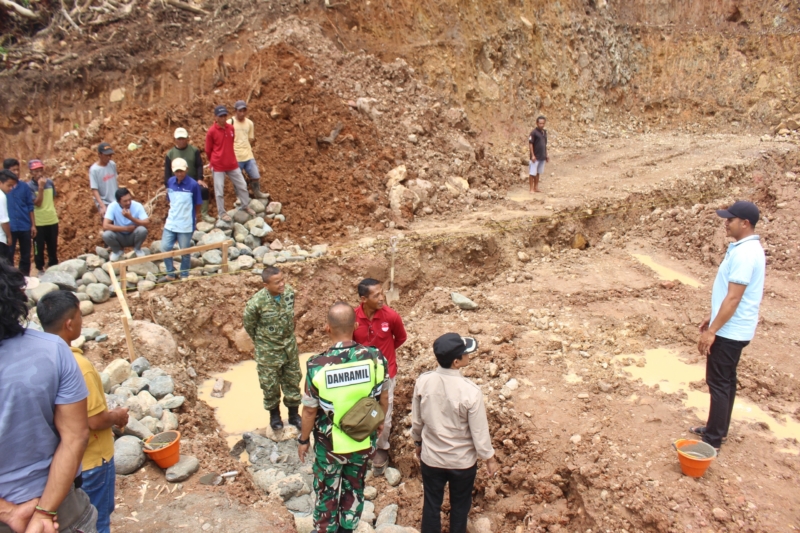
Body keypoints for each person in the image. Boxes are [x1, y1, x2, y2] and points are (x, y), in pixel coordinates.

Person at [0, 261, 97, 533]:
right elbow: (76, 436)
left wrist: (8, 512)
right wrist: (43, 512)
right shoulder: (54, 351)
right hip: (59, 512)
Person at [37, 290, 128, 533]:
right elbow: (94, 420)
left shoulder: (40, 359)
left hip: (60, 464)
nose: (81, 321)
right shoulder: (79, 366)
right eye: (79, 316)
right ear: (69, 324)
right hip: (92, 461)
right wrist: (118, 416)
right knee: (96, 519)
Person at [298, 302, 389, 533]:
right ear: (356, 325)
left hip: (329, 445)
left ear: (327, 328)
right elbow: (383, 397)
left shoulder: (316, 365)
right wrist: (378, 422)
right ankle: (348, 528)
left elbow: (309, 410)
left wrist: (303, 440)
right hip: (361, 439)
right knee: (355, 486)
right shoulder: (375, 358)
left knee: (327, 490)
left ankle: (326, 529)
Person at [692, 201, 766, 451]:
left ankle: (713, 439)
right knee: (727, 381)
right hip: (733, 327)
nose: (726, 222)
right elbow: (728, 293)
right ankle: (717, 429)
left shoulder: (745, 254)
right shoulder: (744, 248)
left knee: (719, 382)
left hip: (730, 331)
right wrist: (712, 316)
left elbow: (734, 298)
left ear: (744, 223)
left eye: (730, 219)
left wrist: (713, 331)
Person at [411, 333, 498, 533]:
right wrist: (489, 459)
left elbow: (417, 422)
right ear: (456, 362)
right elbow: (479, 433)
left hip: (432, 459)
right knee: (460, 507)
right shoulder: (470, 391)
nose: (469, 355)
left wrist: (417, 443)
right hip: (462, 463)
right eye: (465, 353)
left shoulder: (423, 382)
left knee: (431, 505)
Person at [353, 278, 407, 475]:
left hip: (385, 374)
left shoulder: (391, 317)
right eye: (376, 295)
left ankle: (381, 448)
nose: (381, 297)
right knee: (364, 410)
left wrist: (387, 357)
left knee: (385, 411)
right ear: (363, 299)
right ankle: (363, 443)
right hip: (361, 376)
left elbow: (400, 338)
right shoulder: (353, 318)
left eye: (382, 293)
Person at [243, 266, 302, 431]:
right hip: (268, 351)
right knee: (270, 386)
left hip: (289, 348)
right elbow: (249, 325)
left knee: (292, 380)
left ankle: (293, 415)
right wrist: (264, 342)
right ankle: (274, 416)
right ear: (265, 285)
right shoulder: (256, 303)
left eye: (283, 280)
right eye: (277, 283)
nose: (282, 284)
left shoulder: (289, 293)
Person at [205, 105, 255, 223]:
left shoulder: (230, 128)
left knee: (242, 185)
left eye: (224, 116)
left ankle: (244, 205)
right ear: (215, 117)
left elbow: (230, 143)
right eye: (220, 116)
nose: (223, 118)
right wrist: (213, 160)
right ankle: (222, 213)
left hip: (232, 163)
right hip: (218, 166)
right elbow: (208, 150)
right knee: (219, 190)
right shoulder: (211, 132)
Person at [160, 158, 203, 281]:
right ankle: (170, 273)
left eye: (182, 171)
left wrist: (193, 216)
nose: (179, 174)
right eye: (177, 171)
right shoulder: (170, 182)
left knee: (184, 251)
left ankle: (184, 274)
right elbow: (170, 199)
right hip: (172, 222)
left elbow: (198, 203)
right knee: (165, 247)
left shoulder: (193, 185)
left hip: (185, 224)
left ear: (187, 170)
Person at [164, 127, 215, 224]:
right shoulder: (170, 154)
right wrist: (167, 186)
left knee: (203, 190)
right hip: (177, 182)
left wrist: (200, 178)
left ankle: (203, 215)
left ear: (187, 138)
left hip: (193, 182)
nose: (181, 141)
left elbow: (199, 165)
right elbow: (167, 171)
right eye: (179, 139)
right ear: (175, 140)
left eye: (183, 138)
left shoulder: (194, 151)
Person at [230, 100, 268, 200]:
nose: (242, 113)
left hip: (248, 155)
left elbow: (250, 138)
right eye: (240, 111)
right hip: (236, 156)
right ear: (235, 111)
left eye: (244, 111)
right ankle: (239, 196)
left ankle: (257, 192)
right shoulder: (230, 123)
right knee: (237, 178)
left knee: (255, 175)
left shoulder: (250, 123)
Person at [3, 159, 35, 276]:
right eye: (13, 170)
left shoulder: (24, 187)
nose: (16, 172)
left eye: (18, 170)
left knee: (26, 254)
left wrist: (33, 225)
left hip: (24, 225)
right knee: (9, 254)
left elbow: (30, 206)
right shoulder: (3, 190)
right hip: (10, 227)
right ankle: (11, 277)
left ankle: (25, 276)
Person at [28, 160, 59, 273]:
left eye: (41, 170)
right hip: (39, 222)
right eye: (36, 171)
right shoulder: (29, 187)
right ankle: (39, 268)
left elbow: (52, 198)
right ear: (31, 172)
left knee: (52, 247)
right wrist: (41, 188)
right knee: (38, 248)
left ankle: (53, 266)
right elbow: (38, 203)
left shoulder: (50, 183)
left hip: (52, 219)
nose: (39, 173)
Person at [101, 187, 150, 261]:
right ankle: (117, 251)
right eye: (125, 201)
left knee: (142, 230)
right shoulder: (112, 206)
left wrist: (130, 217)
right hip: (119, 236)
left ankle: (137, 249)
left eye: (130, 199)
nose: (128, 203)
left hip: (133, 235)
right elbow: (105, 225)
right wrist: (126, 228)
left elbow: (147, 223)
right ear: (118, 201)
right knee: (106, 235)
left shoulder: (137, 205)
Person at [89, 143, 118, 221]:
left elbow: (114, 182)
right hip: (105, 202)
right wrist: (102, 205)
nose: (109, 158)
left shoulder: (112, 165)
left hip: (116, 201)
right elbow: (94, 189)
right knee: (108, 225)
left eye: (110, 155)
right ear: (99, 154)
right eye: (106, 155)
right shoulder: (94, 170)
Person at [528, 115, 549, 193]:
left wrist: (546, 155)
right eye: (540, 123)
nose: (542, 125)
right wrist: (532, 155)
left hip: (542, 156)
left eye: (543, 123)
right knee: (532, 173)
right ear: (537, 123)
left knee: (538, 172)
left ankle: (536, 187)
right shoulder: (533, 133)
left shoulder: (544, 132)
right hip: (535, 157)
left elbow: (544, 144)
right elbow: (530, 144)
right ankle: (531, 188)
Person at [0, 171, 15, 260]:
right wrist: (9, 236)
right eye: (9, 185)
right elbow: (4, 221)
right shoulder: (1, 196)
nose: (11, 188)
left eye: (12, 186)